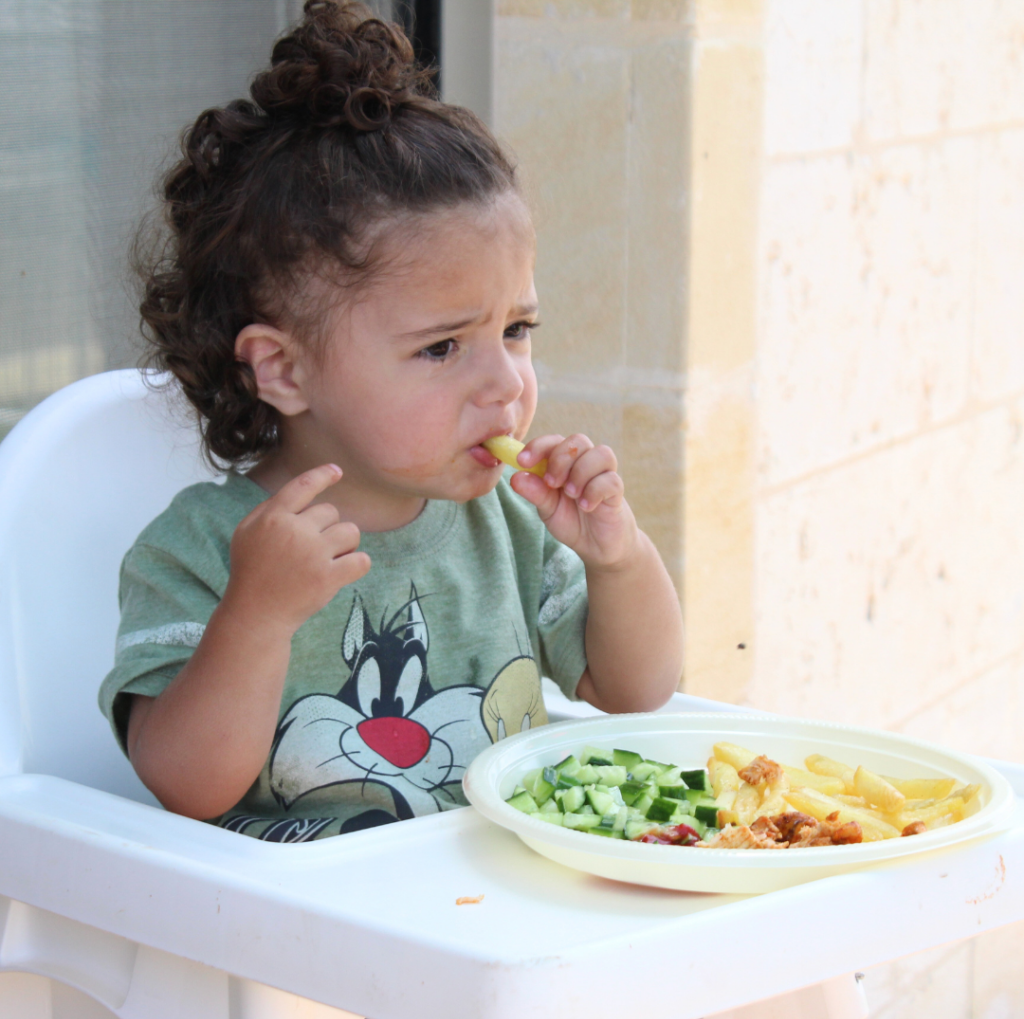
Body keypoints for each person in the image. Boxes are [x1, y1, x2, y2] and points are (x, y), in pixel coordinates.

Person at [99, 0, 683, 843]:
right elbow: (188, 786)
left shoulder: (506, 522)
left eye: (515, 331)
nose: (506, 385)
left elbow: (637, 689)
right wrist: (257, 617)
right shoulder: (199, 550)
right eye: (443, 348)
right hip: (304, 944)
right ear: (284, 369)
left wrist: (619, 557)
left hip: (491, 906)